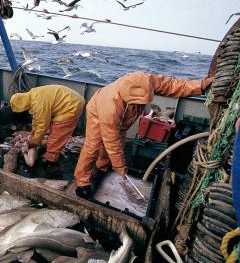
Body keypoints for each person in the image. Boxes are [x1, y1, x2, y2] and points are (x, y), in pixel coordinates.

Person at [73, 71, 214, 198]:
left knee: (118, 144)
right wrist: (120, 165)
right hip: (98, 113)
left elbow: (172, 85)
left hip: (123, 118)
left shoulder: (147, 81)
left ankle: (102, 167)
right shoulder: (110, 106)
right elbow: (111, 139)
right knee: (93, 146)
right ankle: (82, 181)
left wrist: (200, 86)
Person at [10, 85, 85, 167]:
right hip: (69, 100)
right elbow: (37, 119)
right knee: (50, 131)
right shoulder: (32, 95)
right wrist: (33, 133)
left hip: (71, 105)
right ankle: (50, 153)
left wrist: (35, 142)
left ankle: (50, 160)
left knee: (57, 134)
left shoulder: (39, 104)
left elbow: (43, 125)